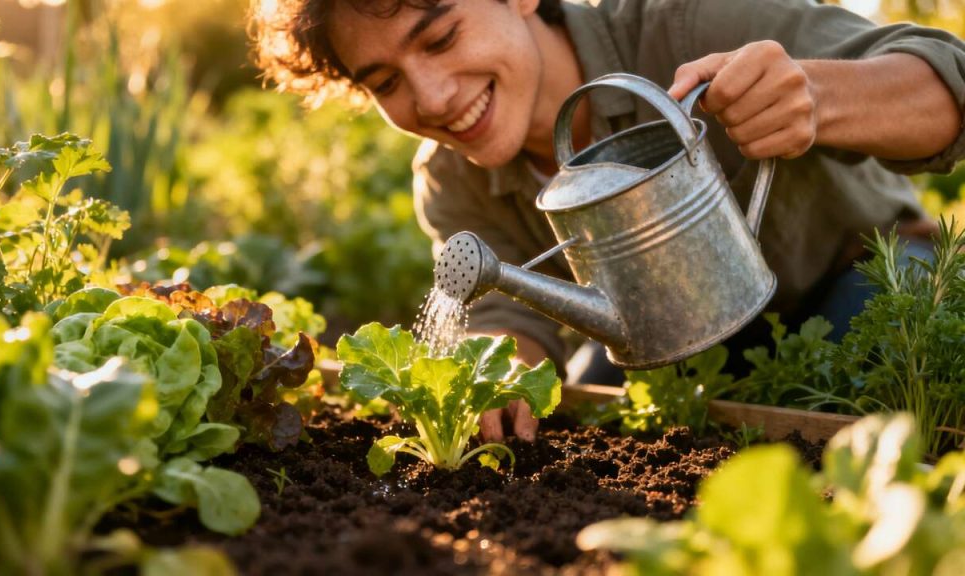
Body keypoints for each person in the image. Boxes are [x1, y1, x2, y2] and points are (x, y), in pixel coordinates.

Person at [250, 0, 965, 441]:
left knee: (884, 365)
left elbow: (950, 80)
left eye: (440, 39)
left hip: (870, 285)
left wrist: (813, 95)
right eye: (386, 83)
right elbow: (508, 321)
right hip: (681, 347)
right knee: (595, 406)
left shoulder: (689, 25)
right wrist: (495, 371)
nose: (431, 98)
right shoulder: (450, 179)